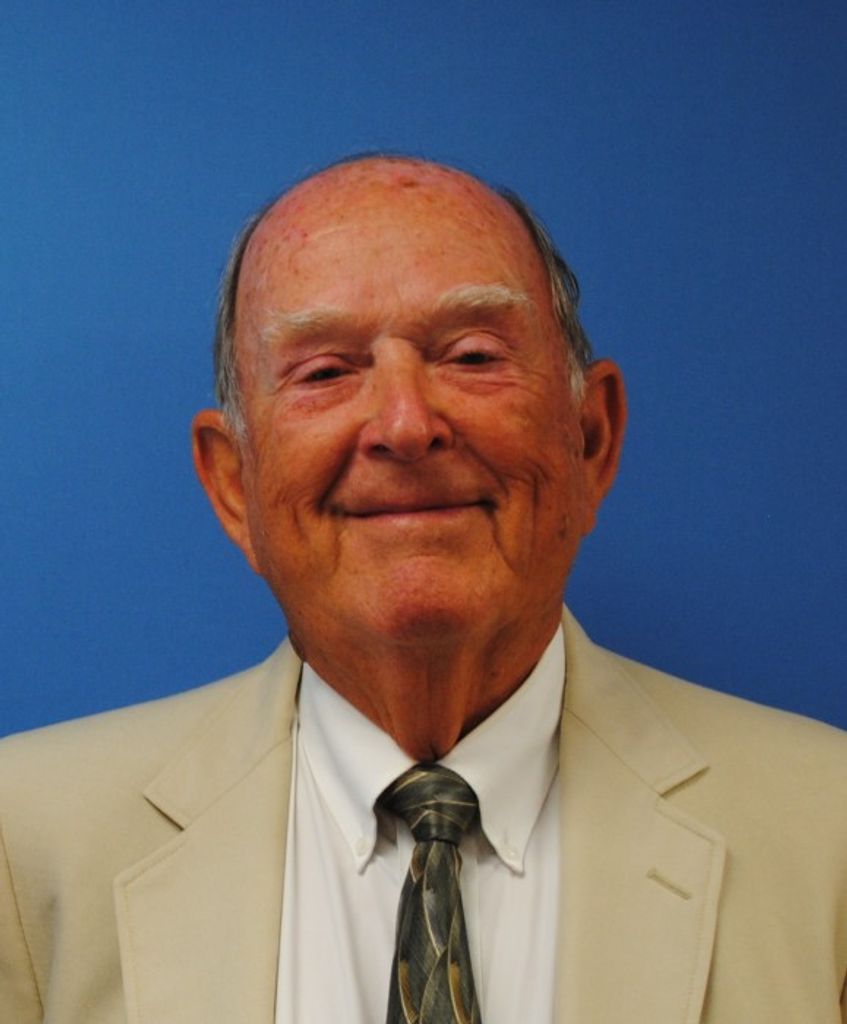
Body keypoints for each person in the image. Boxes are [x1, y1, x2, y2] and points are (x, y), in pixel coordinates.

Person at [1, 155, 845, 1024]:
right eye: (325, 372)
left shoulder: (829, 832)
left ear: (590, 440)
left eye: (472, 355)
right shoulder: (21, 844)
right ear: (232, 487)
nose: (405, 425)